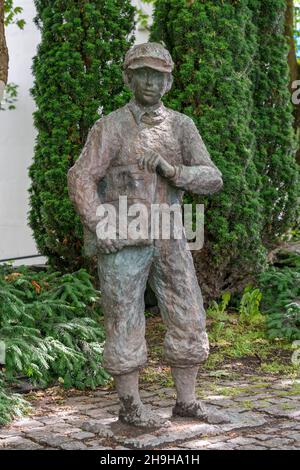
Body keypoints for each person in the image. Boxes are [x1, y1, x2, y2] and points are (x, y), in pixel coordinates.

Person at [68, 42, 227, 427]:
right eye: (142, 73)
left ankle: (186, 402)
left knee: (188, 311)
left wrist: (174, 172)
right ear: (128, 78)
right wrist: (97, 222)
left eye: (158, 75)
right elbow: (81, 176)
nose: (150, 82)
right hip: (123, 236)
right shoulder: (110, 126)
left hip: (171, 233)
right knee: (124, 315)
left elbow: (213, 178)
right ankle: (131, 407)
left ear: (168, 82)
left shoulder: (181, 126)